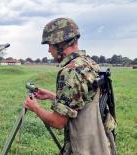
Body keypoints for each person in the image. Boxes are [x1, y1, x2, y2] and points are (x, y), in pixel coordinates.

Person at [24, 18, 116, 155]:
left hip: (86, 147)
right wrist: (51, 96)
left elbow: (57, 122)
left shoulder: (70, 72)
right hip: (102, 142)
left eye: (50, 44)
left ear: (60, 43)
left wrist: (35, 108)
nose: (49, 50)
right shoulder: (89, 63)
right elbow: (84, 100)